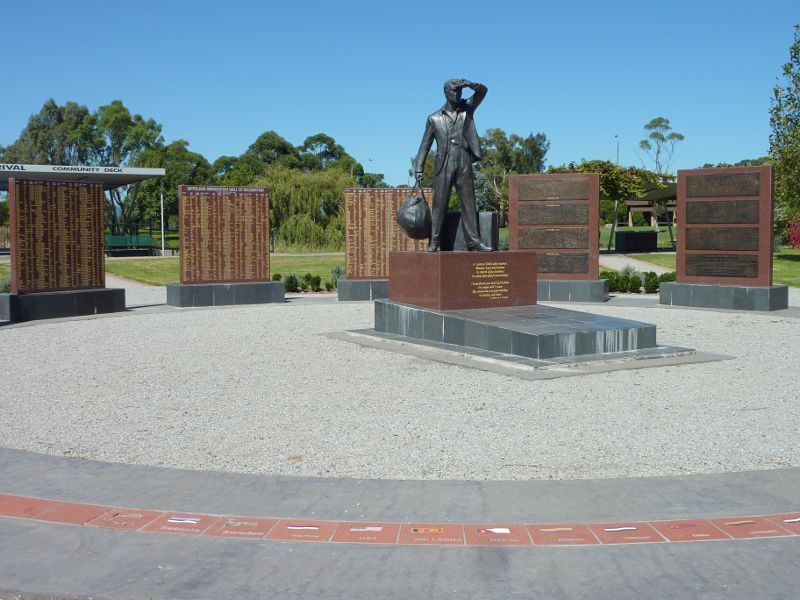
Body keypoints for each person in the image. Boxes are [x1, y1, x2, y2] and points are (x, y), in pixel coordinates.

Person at [414, 78, 491, 252]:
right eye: (454, 91)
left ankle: (474, 241)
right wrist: (419, 168)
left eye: (460, 91)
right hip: (444, 162)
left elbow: (483, 92)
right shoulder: (433, 118)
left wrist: (471, 84)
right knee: (439, 204)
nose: (458, 94)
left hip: (463, 159)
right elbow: (424, 145)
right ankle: (434, 241)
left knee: (469, 202)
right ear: (446, 93)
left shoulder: (467, 108)